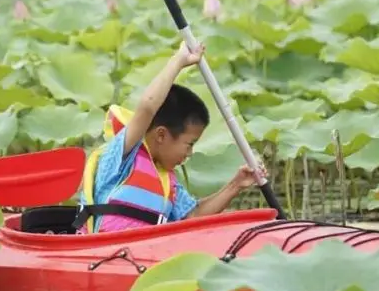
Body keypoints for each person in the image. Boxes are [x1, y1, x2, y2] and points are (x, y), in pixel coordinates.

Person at [74, 42, 266, 234]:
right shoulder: (122, 156)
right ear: (161, 135)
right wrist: (178, 61)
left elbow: (194, 215)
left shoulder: (168, 183)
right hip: (104, 255)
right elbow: (148, 107)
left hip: (144, 257)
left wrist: (236, 185)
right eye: (189, 144)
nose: (190, 153)